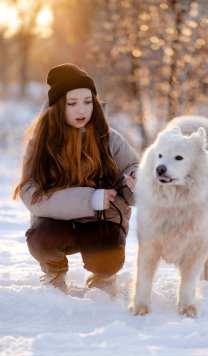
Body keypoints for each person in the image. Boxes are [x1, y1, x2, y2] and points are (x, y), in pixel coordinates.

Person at [14, 63, 138, 295]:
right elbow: (30, 193)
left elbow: (133, 168)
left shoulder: (110, 139)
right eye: (72, 104)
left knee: (108, 259)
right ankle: (54, 270)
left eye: (88, 102)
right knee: (41, 240)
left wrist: (135, 181)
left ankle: (103, 275)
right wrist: (89, 199)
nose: (82, 110)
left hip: (102, 221)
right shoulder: (40, 144)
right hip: (57, 223)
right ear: (59, 106)